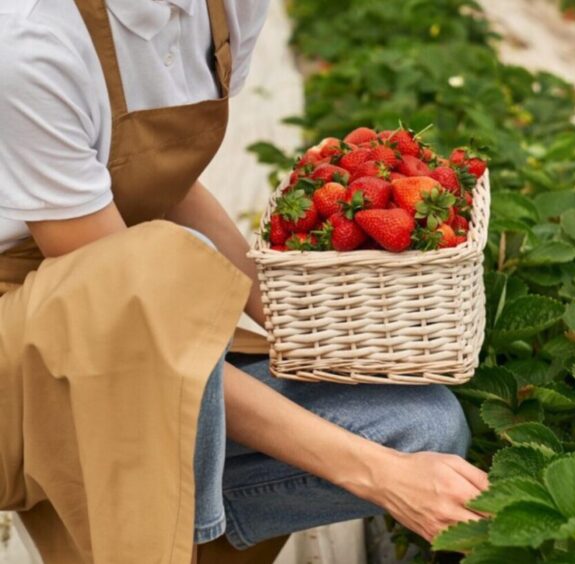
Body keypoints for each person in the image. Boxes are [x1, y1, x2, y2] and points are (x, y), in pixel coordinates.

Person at [0, 1, 487, 562]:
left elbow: (165, 187)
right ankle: (144, 533)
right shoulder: (34, 45)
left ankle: (176, 532)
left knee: (423, 427)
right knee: (162, 263)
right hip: (31, 363)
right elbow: (128, 318)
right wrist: (379, 474)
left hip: (148, 316)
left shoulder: (227, 8)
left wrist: (307, 330)